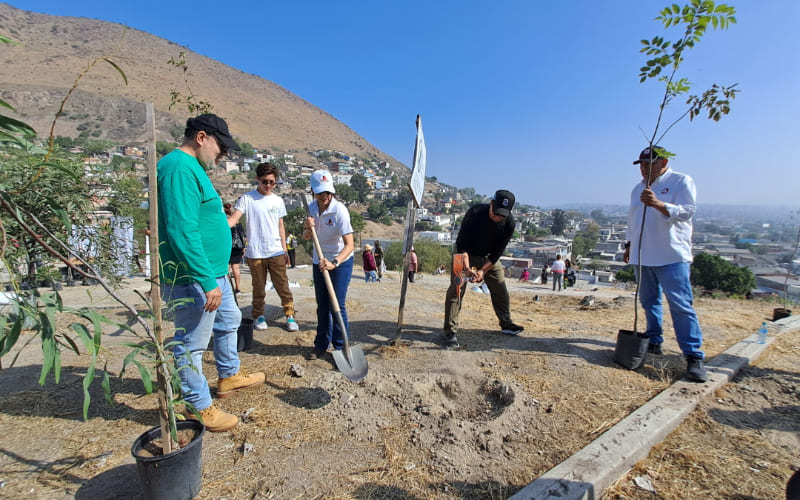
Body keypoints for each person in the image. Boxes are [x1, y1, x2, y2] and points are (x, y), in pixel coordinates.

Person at [157, 114, 264, 432]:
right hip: (193, 276)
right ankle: (197, 406)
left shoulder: (192, 169)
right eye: (221, 147)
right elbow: (181, 229)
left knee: (229, 320)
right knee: (191, 344)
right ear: (201, 137)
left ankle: (229, 376)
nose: (224, 154)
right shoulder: (178, 167)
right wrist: (206, 280)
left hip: (213, 272)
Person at [624, 145, 707, 383]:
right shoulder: (637, 189)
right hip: (644, 256)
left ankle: (693, 356)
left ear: (663, 163)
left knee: (681, 305)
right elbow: (633, 220)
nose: (644, 168)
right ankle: (653, 340)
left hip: (671, 255)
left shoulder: (681, 182)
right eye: (641, 164)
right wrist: (629, 245)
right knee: (649, 301)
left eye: (649, 164)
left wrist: (659, 204)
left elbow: (688, 212)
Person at [443, 189, 524, 348]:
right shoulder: (475, 213)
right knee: (457, 288)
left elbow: (497, 253)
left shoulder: (509, 223)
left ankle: (506, 323)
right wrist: (466, 268)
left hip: (487, 257)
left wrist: (482, 271)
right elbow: (461, 244)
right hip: (465, 253)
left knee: (500, 287)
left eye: (502, 214)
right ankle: (450, 332)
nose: (497, 217)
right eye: (496, 212)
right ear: (491, 203)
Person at [228, 163, 299, 333]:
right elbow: (234, 218)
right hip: (255, 252)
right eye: (265, 182)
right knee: (258, 287)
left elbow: (280, 226)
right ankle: (258, 315)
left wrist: (284, 249)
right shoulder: (247, 199)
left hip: (275, 251)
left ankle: (289, 314)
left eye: (272, 182)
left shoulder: (278, 200)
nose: (268, 186)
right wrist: (219, 229)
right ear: (257, 180)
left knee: (282, 285)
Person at [303, 170, 355, 360]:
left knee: (337, 304)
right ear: (313, 192)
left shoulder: (339, 210)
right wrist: (308, 229)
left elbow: (350, 245)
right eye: (320, 193)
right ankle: (320, 345)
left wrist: (335, 262)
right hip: (320, 261)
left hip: (340, 261)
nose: (324, 197)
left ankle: (342, 347)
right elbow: (307, 237)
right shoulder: (311, 208)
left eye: (327, 192)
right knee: (322, 305)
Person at [224, 202, 245, 293]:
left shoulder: (225, 222)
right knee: (236, 267)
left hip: (227, 246)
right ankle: (237, 287)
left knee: (227, 268)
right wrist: (243, 247)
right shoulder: (237, 223)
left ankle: (228, 287)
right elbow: (242, 236)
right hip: (238, 247)